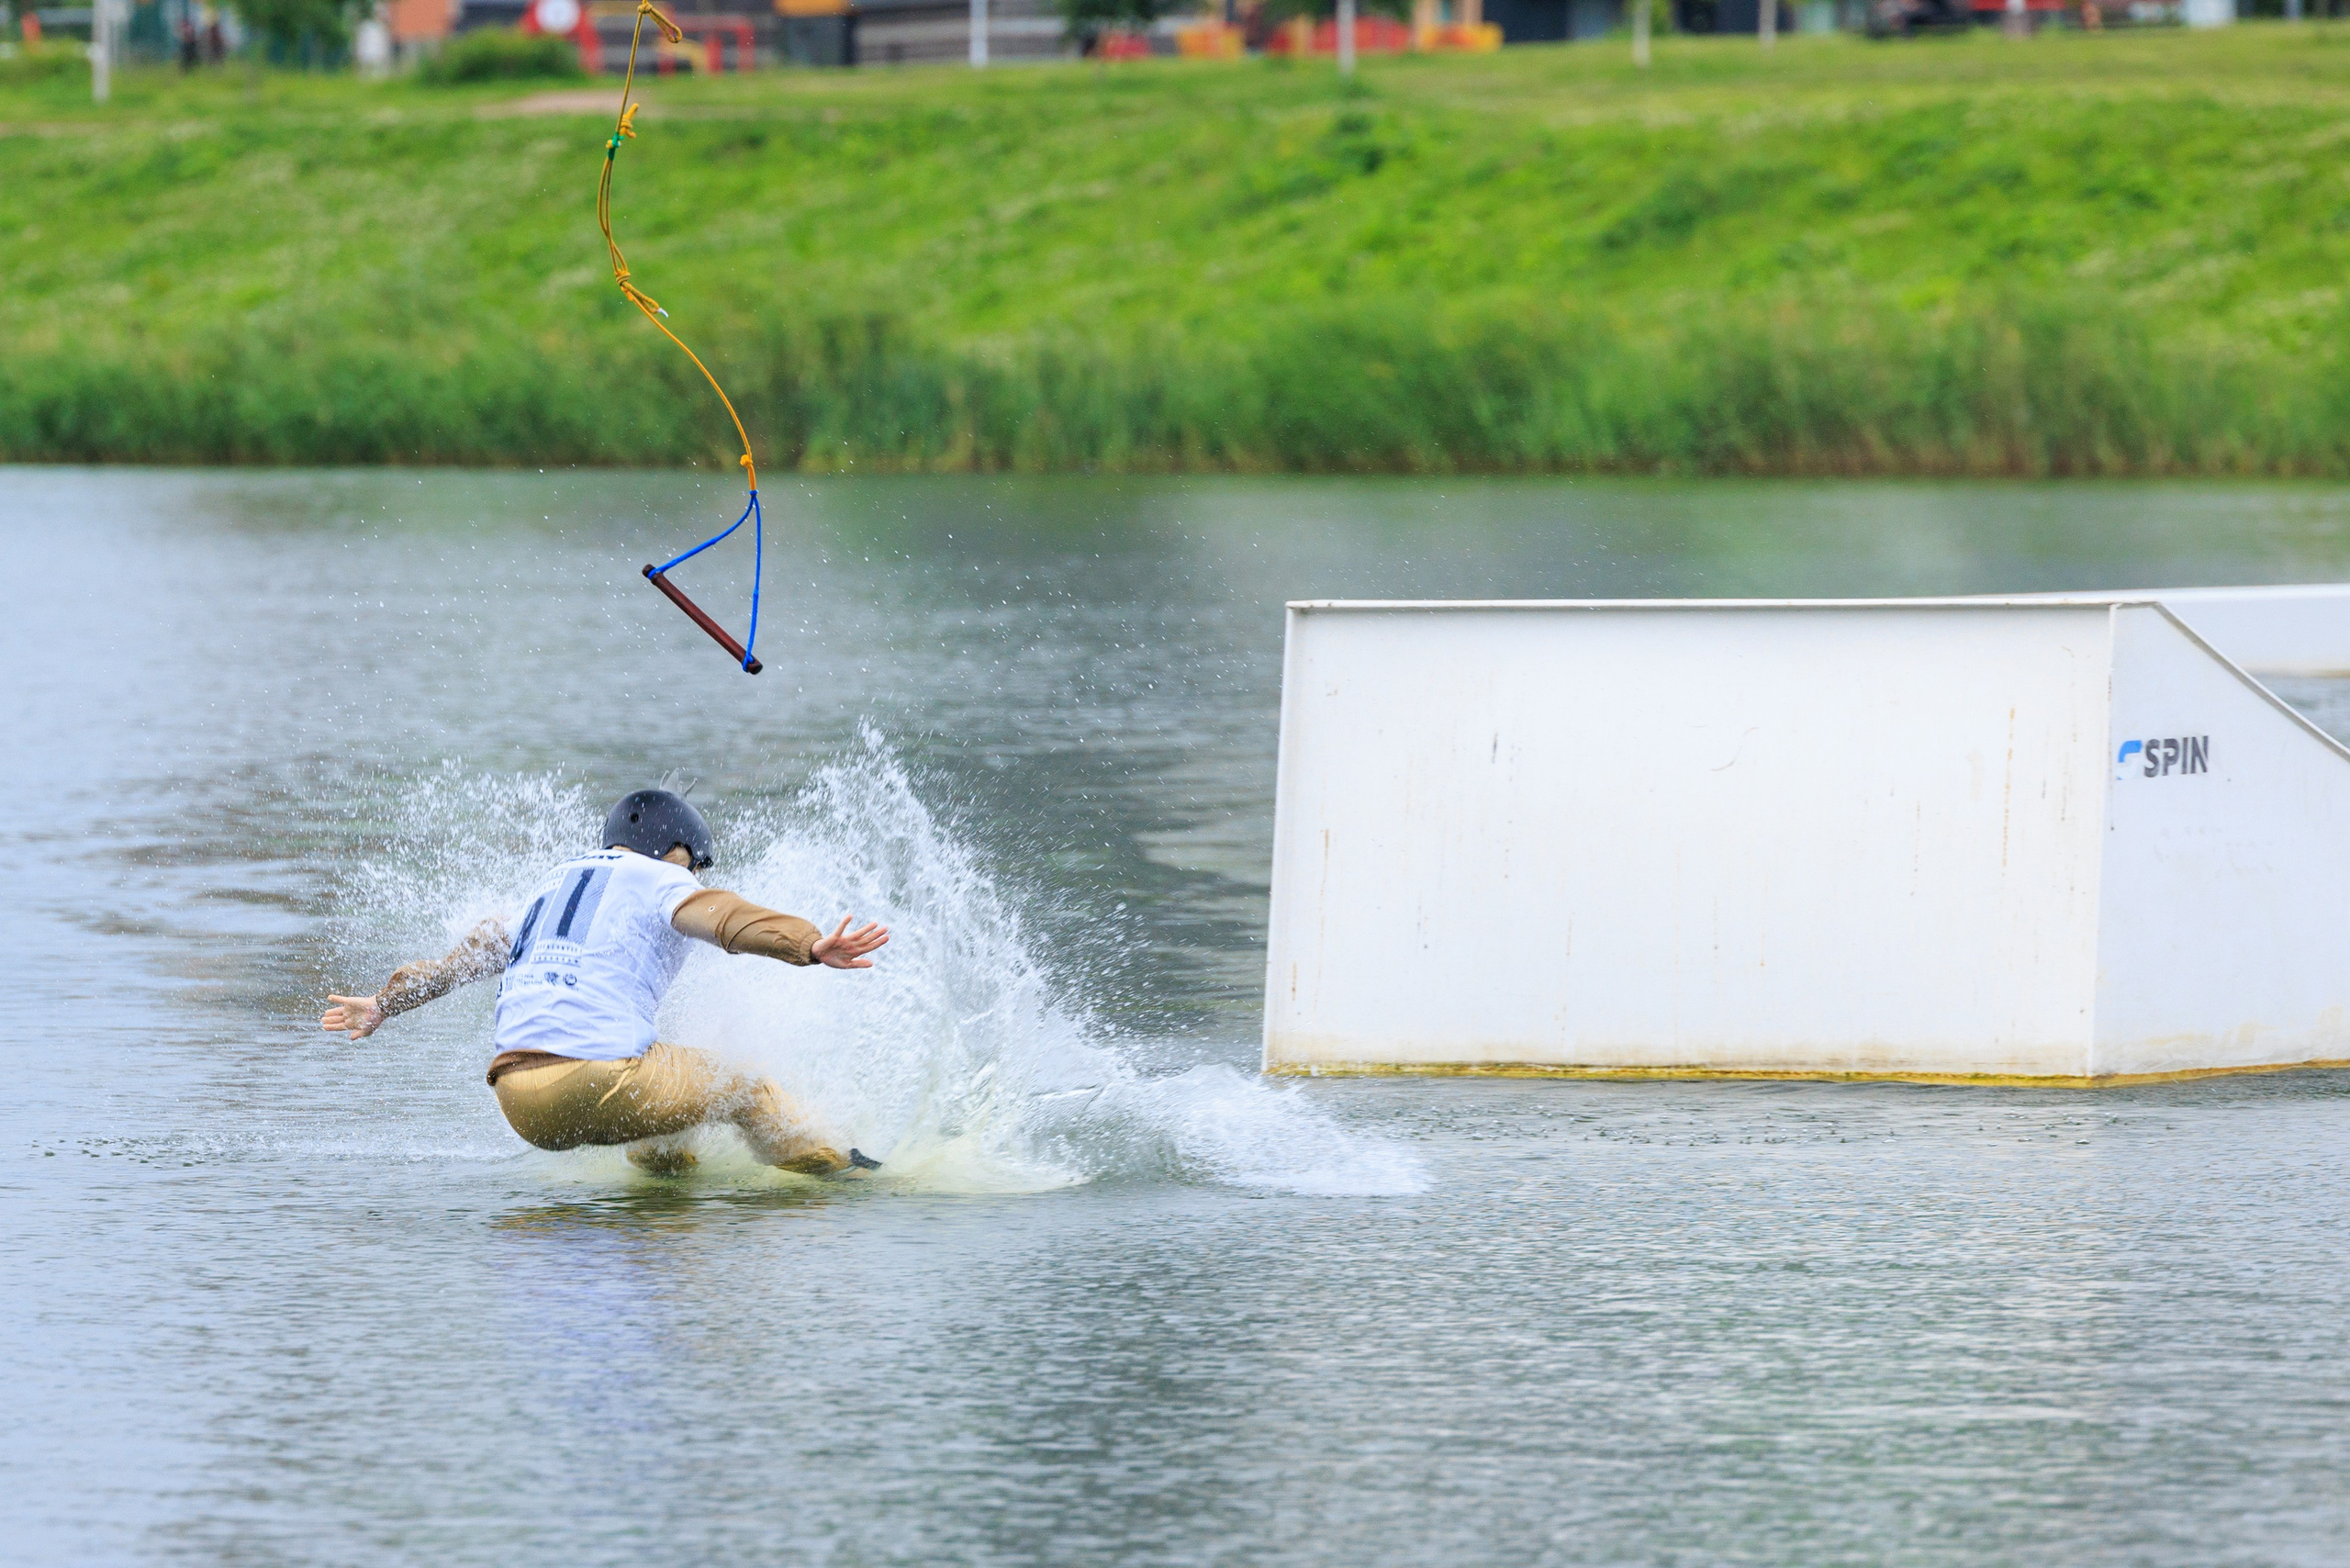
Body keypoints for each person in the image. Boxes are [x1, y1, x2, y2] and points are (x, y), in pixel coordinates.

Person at [321, 786, 889, 1176]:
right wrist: (807, 945)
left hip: (519, 1102)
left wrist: (382, 1004)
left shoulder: (547, 888)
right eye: (694, 866)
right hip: (601, 1081)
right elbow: (723, 919)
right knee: (746, 1088)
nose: (692, 877)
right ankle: (840, 1174)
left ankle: (664, 1193)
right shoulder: (662, 879)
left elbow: (456, 964)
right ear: (676, 851)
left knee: (666, 1088)